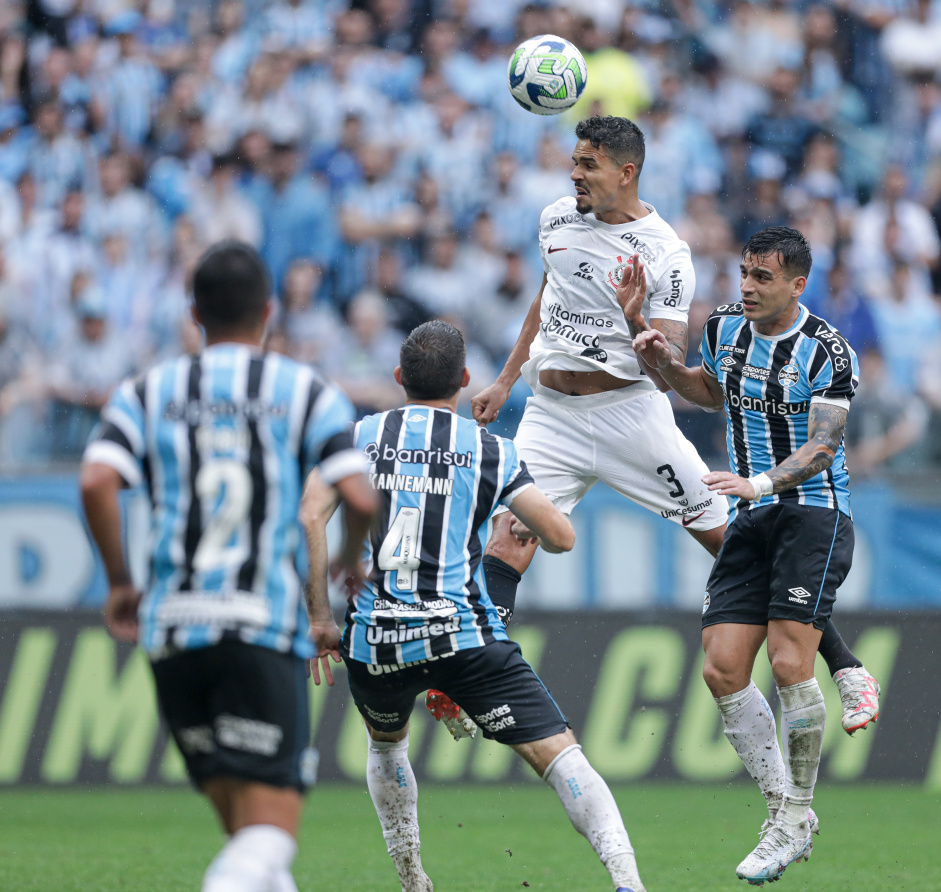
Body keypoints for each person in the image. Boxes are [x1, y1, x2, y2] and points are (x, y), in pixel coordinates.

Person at [437, 114, 878, 739]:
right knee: (509, 538)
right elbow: (546, 292)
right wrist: (506, 379)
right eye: (574, 159)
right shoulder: (555, 218)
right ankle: (471, 687)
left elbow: (668, 356)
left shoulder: (665, 254)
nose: (574, 172)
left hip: (629, 415)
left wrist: (634, 316)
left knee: (731, 538)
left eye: (587, 163)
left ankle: (846, 663)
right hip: (551, 414)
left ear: (626, 172)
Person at [306, 320, 647, 892]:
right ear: (464, 380)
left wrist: (319, 617)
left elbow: (311, 516)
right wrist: (524, 512)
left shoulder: (357, 436)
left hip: (376, 639)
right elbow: (559, 536)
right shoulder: (490, 449)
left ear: (397, 378)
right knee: (560, 757)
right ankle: (628, 881)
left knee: (386, 745)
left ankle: (414, 879)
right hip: (461, 635)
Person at [80, 241, 377, 892]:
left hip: (173, 633)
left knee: (249, 837)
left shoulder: (148, 389)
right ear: (269, 311)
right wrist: (349, 559)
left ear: (195, 312)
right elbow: (360, 497)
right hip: (258, 630)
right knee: (270, 832)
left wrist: (121, 582)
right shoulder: (302, 390)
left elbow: (97, 480)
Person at [631, 226, 871, 884]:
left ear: (797, 284)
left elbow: (822, 447)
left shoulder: (826, 350)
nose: (746, 286)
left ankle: (795, 812)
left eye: (762, 277)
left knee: (790, 659)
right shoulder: (724, 327)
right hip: (750, 513)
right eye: (743, 273)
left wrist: (759, 482)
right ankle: (782, 809)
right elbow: (707, 391)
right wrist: (661, 364)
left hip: (812, 513)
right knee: (720, 667)